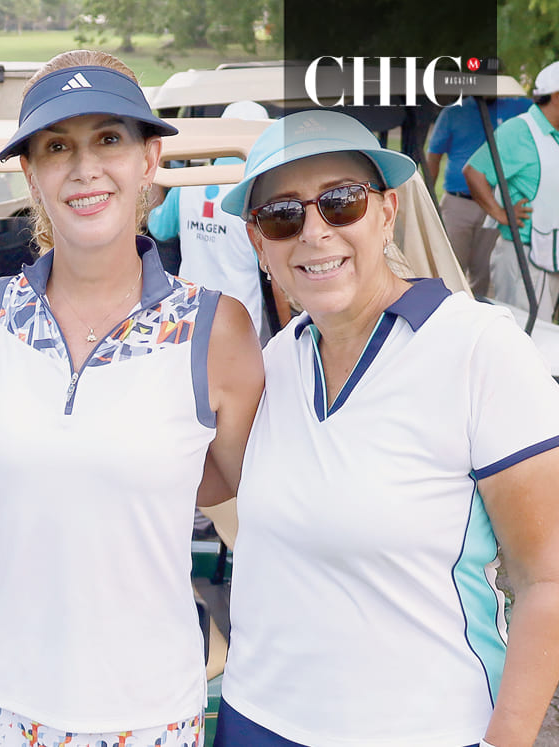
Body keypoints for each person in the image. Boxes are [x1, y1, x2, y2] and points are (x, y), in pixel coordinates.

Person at [0, 50, 263, 746]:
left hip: (143, 712)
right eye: (58, 147)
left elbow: (253, 505)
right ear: (30, 172)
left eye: (108, 139)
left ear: (149, 160)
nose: (84, 168)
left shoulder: (216, 329)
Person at [216, 109, 559, 746]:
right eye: (283, 216)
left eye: (341, 204)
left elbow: (548, 577)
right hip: (256, 718)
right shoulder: (272, 363)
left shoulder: (480, 350)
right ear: (258, 242)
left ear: (386, 211)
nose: (314, 233)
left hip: (422, 729)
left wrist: (506, 741)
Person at [148, 100, 270, 339]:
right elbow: (272, 265)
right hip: (241, 323)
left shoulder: (188, 182)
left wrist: (157, 169)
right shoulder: (260, 192)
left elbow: (158, 228)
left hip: (187, 315)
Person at [464, 61, 559, 314]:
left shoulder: (555, 133)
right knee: (523, 335)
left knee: (546, 336)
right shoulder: (519, 131)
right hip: (524, 257)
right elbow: (474, 172)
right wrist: (501, 214)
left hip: (551, 254)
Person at [426, 92, 531, 297]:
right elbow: (433, 158)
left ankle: (476, 320)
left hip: (494, 201)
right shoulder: (453, 112)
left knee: (483, 272)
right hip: (458, 203)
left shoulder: (517, 106)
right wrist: (428, 199)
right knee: (448, 269)